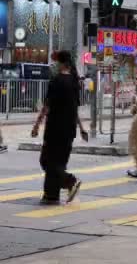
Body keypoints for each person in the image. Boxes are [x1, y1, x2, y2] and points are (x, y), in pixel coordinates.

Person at [31, 51, 85, 205]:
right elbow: (75, 109)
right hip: (69, 131)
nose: (54, 65)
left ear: (62, 63)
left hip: (55, 129)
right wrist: (81, 128)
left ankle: (70, 181)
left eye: (55, 62)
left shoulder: (56, 81)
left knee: (47, 161)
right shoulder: (75, 82)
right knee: (58, 162)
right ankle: (51, 195)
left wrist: (36, 125)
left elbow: (47, 106)